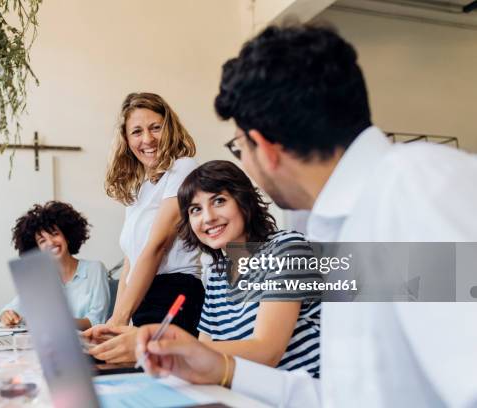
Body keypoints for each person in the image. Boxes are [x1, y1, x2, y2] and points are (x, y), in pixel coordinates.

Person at [135, 23, 477, 407]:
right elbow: (350, 396)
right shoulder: (344, 221)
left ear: (264, 146)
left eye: (238, 146)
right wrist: (222, 369)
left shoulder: (414, 188)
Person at [87, 160, 321, 377]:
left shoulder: (286, 248)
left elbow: (267, 351)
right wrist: (137, 348)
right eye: (195, 209)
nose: (207, 218)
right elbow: (206, 351)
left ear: (244, 201)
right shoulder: (218, 273)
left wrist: (161, 345)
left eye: (219, 201)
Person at [102, 92, 204, 334]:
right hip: (144, 297)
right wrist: (115, 320)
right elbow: (131, 260)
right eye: (137, 132)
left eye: (155, 127)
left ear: (170, 129)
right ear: (126, 140)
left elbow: (157, 246)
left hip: (174, 292)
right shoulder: (140, 187)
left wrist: (119, 320)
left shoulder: (182, 168)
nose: (147, 139)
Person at [0, 201, 110, 330]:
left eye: (55, 234)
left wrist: (62, 323)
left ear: (67, 236)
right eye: (42, 240)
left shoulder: (95, 269)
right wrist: (7, 315)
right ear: (37, 249)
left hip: (91, 345)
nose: (50, 243)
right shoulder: (40, 279)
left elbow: (98, 320)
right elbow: (12, 308)